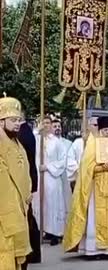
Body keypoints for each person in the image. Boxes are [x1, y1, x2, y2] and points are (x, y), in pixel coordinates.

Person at [63, 116, 108, 260]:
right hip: (96, 188)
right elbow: (85, 168)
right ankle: (94, 250)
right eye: (105, 130)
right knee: (93, 217)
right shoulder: (92, 146)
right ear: (100, 130)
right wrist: (100, 167)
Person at [0, 95, 32, 270]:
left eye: (19, 120)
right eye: (13, 120)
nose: (17, 124)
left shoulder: (17, 143)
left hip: (20, 208)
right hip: (4, 214)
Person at [32, 116, 67, 246]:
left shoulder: (56, 142)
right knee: (40, 203)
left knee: (52, 204)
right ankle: (42, 230)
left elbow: (62, 160)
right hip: (39, 176)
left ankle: (55, 232)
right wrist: (36, 131)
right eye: (43, 123)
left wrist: (48, 167)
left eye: (48, 123)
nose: (46, 125)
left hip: (51, 176)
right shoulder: (36, 139)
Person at [18, 121, 41, 265]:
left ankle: (32, 252)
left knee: (27, 217)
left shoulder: (23, 132)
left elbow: (28, 158)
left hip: (24, 180)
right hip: (24, 179)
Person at [66, 117, 98, 190]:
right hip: (81, 178)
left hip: (96, 180)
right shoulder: (78, 142)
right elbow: (70, 159)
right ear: (88, 126)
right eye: (95, 125)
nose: (98, 127)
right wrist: (79, 169)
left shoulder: (101, 142)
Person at [52, 119, 73, 223]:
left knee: (65, 201)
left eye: (59, 126)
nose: (57, 128)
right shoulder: (47, 143)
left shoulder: (68, 143)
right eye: (55, 126)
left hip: (65, 176)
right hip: (52, 176)